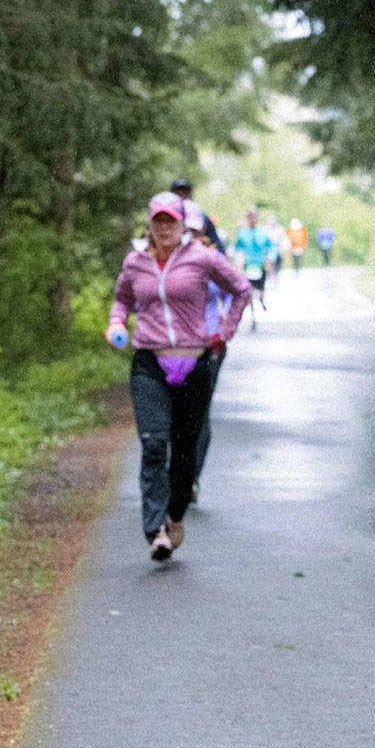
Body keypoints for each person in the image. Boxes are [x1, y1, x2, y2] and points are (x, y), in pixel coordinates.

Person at [107, 191, 252, 561]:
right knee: (154, 443)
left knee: (184, 452)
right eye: (159, 221)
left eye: (172, 220)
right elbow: (122, 299)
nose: (165, 227)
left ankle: (174, 517)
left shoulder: (202, 258)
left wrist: (225, 331)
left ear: (182, 223)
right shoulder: (135, 262)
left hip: (194, 364)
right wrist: (116, 322)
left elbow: (241, 289)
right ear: (150, 225)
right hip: (150, 364)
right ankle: (155, 529)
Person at [182, 199, 232, 503]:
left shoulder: (213, 259)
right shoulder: (163, 261)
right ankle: (177, 473)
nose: (186, 233)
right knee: (175, 414)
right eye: (181, 227)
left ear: (202, 227)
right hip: (171, 348)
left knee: (200, 414)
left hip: (209, 347)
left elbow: (234, 291)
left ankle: (192, 477)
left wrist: (225, 318)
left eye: (192, 227)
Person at [232, 208, 274, 323]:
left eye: (254, 216)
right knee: (249, 292)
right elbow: (237, 249)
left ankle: (261, 300)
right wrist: (237, 264)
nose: (252, 218)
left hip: (260, 265)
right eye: (250, 216)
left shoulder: (263, 231)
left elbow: (270, 248)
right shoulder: (242, 232)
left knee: (260, 292)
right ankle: (252, 314)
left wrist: (269, 261)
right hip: (247, 265)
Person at [170, 176, 223, 249]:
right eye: (178, 194)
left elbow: (217, 247)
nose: (181, 197)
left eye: (185, 193)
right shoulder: (166, 217)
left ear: (191, 195)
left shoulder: (203, 217)